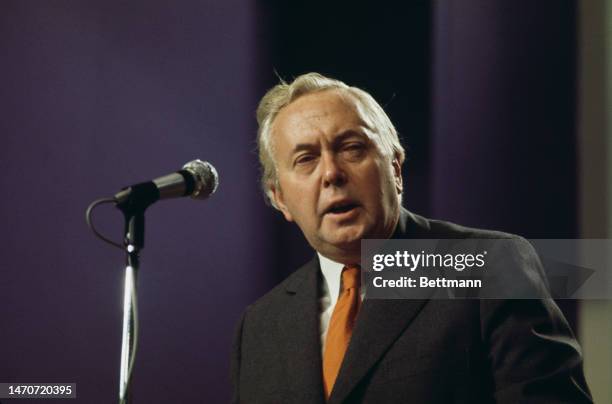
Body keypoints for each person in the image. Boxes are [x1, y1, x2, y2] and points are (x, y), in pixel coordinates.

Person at [230, 72, 592, 403]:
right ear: (280, 199)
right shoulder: (261, 326)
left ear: (396, 169)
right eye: (306, 159)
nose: (331, 173)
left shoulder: (489, 264)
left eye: (352, 148)